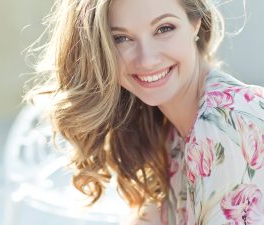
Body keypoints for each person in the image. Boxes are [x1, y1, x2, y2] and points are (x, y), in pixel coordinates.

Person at [25, 0, 264, 224]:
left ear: (195, 23)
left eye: (164, 28)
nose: (147, 60)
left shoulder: (229, 124)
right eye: (121, 38)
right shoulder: (162, 127)